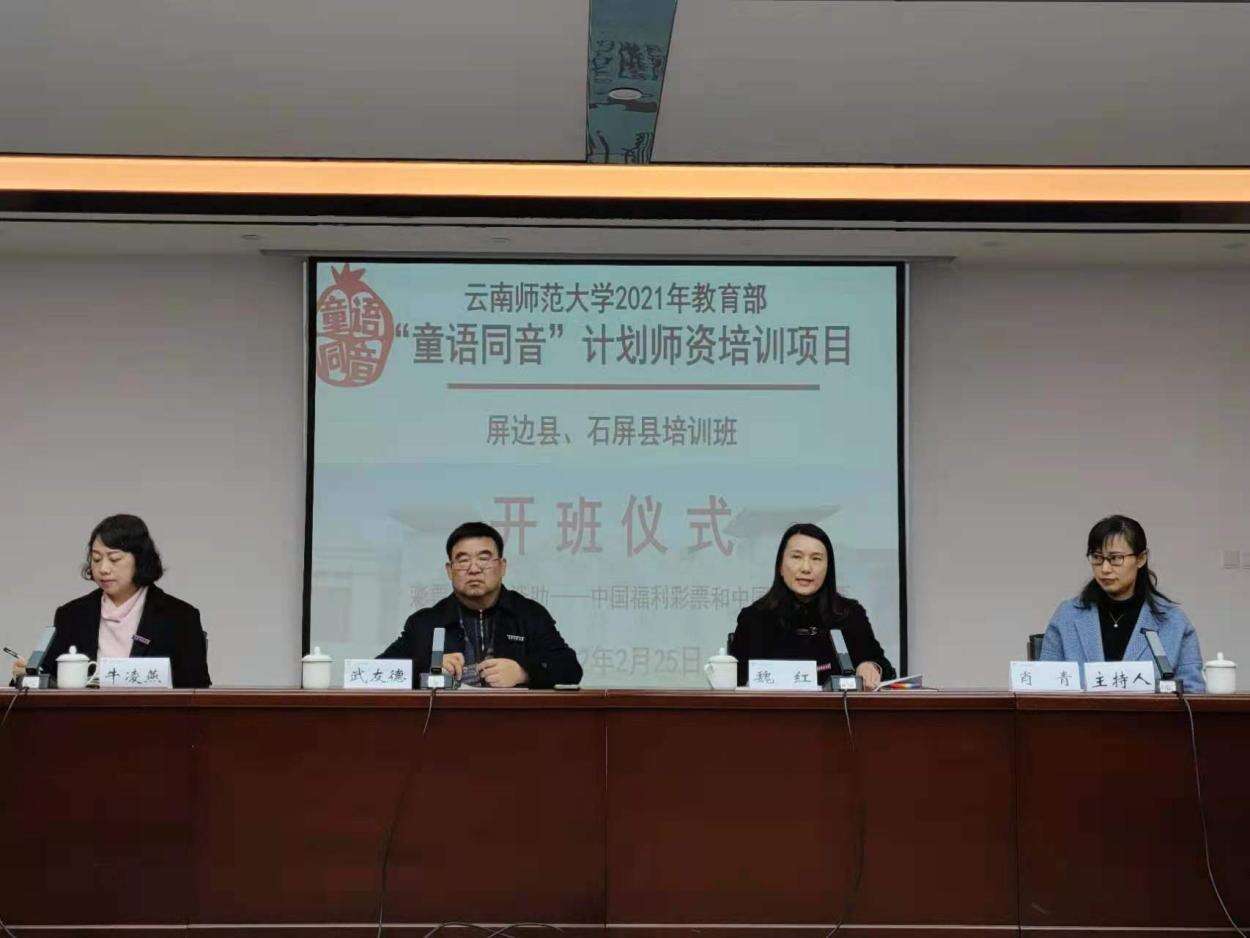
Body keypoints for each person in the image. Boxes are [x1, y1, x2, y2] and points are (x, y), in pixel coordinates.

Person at [10, 515, 211, 688]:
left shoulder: (179, 617)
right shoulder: (72, 615)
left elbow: (197, 690)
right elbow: (48, 680)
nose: (103, 569)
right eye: (96, 559)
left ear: (140, 560)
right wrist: (27, 674)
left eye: (114, 559)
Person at [378, 521, 582, 688]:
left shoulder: (529, 614)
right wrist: (428, 667)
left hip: (514, 722)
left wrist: (524, 673)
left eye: (484, 559)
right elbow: (378, 671)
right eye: (463, 560)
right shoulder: (425, 622)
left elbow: (570, 669)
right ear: (449, 570)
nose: (474, 569)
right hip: (447, 723)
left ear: (502, 566)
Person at [1040, 514, 1204, 690]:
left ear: (1141, 558)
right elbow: (1044, 686)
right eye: (1097, 557)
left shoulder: (1173, 621)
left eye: (1115, 558)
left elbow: (1192, 693)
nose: (1105, 569)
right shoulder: (1067, 617)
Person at [731, 523, 896, 689]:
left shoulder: (849, 614)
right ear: (780, 566)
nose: (806, 568)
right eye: (796, 557)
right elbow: (733, 681)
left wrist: (871, 667)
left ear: (828, 569)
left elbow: (885, 669)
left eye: (816, 559)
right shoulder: (754, 618)